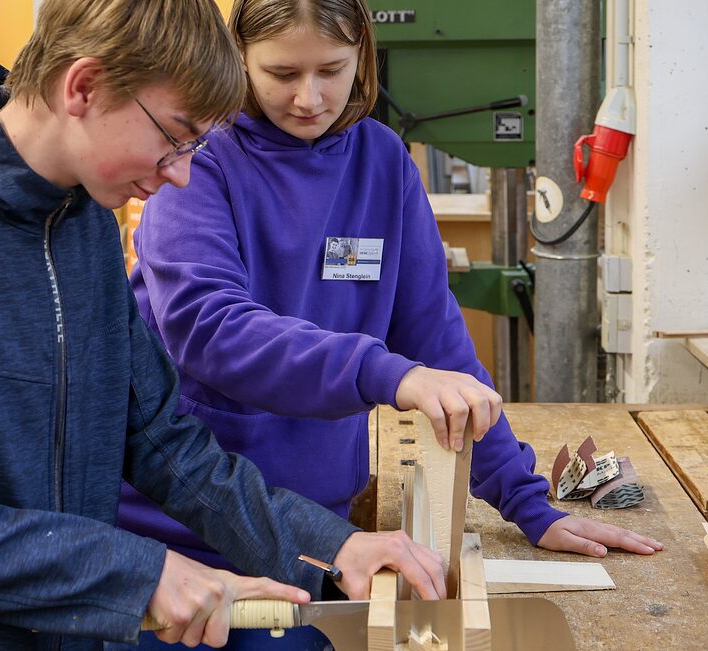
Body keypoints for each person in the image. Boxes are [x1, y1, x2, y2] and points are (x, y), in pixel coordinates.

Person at [0, 1, 453, 649]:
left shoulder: (81, 223)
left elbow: (161, 439)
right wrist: (142, 572)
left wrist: (331, 546)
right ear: (84, 87)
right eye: (173, 136)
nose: (184, 173)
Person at [123, 1, 664, 648]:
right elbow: (209, 330)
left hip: (318, 535)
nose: (308, 96)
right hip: (184, 536)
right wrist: (385, 373)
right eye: (282, 72)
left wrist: (525, 500)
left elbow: (435, 342)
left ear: (364, 57)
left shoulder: (382, 162)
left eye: (331, 69)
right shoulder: (198, 161)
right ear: (240, 58)